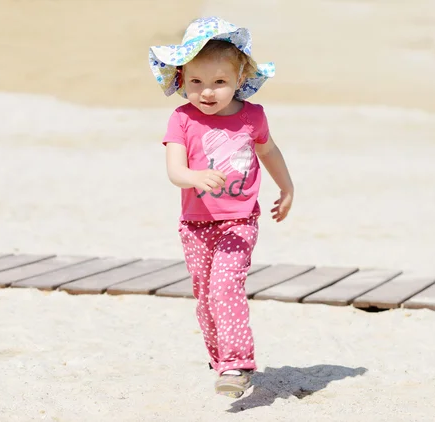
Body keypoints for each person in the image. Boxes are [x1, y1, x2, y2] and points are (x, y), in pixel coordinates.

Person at [148, 16, 294, 398]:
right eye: (196, 82)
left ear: (238, 79)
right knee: (206, 295)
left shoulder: (252, 116)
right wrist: (194, 178)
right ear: (182, 79)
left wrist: (287, 186)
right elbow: (175, 171)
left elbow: (269, 151)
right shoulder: (181, 119)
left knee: (226, 286)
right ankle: (221, 362)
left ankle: (237, 363)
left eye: (219, 83)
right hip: (195, 225)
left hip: (239, 221)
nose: (207, 92)